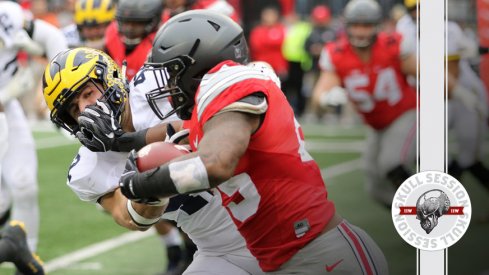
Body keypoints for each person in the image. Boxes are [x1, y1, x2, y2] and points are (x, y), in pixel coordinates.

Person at [116, 10, 388, 274]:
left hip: (323, 257)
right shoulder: (217, 108)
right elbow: (178, 129)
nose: (170, 86)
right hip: (284, 259)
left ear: (198, 67)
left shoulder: (228, 83)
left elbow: (215, 164)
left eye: (174, 74)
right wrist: (124, 140)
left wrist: (139, 184)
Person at [41, 47, 265, 275]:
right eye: (73, 108)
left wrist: (133, 141)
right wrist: (151, 189)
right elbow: (130, 218)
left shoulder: (159, 83)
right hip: (224, 250)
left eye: (88, 94)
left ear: (110, 78)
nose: (85, 109)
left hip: (270, 213)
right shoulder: (87, 169)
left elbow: (225, 117)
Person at [311, 0, 417, 208]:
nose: (360, 31)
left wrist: (457, 91)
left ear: (377, 25)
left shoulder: (393, 44)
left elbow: (427, 74)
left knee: (392, 163)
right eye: (356, 25)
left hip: (405, 113)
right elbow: (320, 92)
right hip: (376, 125)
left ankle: (431, 213)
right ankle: (413, 218)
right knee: (375, 187)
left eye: (367, 25)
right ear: (346, 26)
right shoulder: (336, 53)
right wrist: (326, 98)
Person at [0, 1, 68, 255]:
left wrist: (55, 84)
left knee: (24, 183)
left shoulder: (6, 14)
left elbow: (51, 37)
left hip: (7, 111)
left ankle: (26, 256)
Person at [104, 0, 163, 80]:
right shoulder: (112, 34)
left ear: (153, 22)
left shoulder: (157, 45)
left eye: (137, 23)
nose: (129, 28)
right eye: (125, 22)